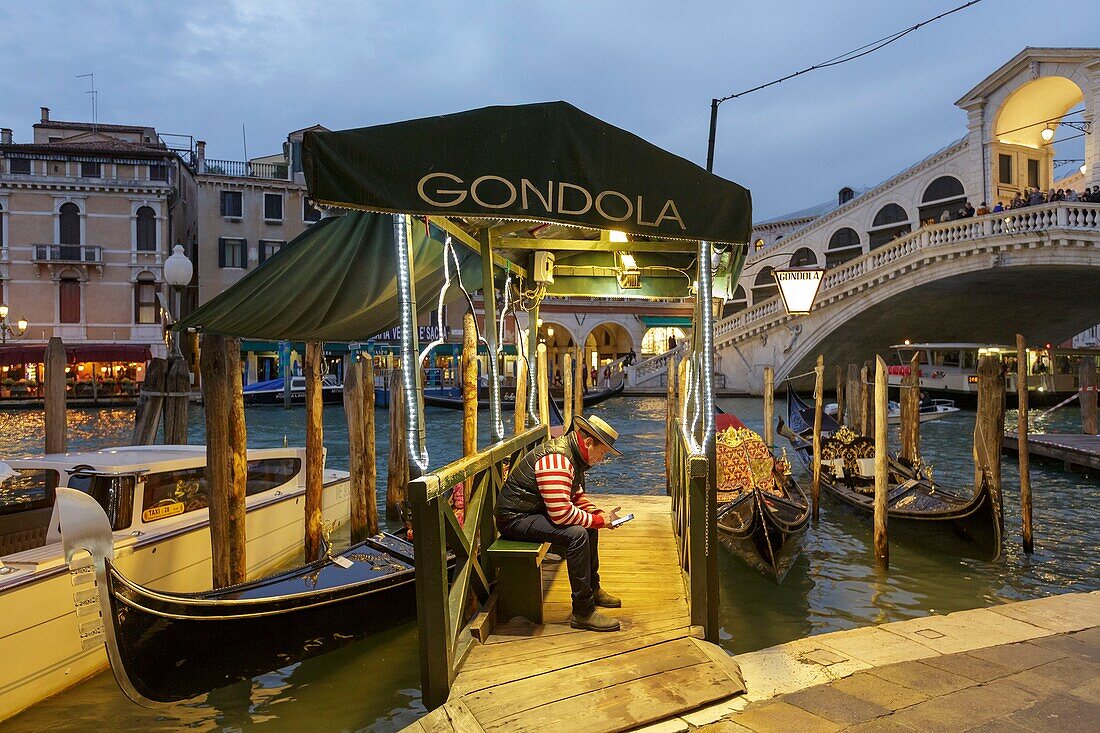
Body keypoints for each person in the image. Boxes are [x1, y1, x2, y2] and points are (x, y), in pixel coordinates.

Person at [496, 415, 625, 631]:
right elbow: (561, 514)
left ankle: (593, 588)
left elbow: (574, 495)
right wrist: (598, 521)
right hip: (515, 518)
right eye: (602, 452)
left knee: (589, 527)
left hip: (532, 510)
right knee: (577, 534)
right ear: (589, 442)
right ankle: (583, 612)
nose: (602, 459)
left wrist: (597, 514)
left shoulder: (573, 455)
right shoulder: (559, 460)